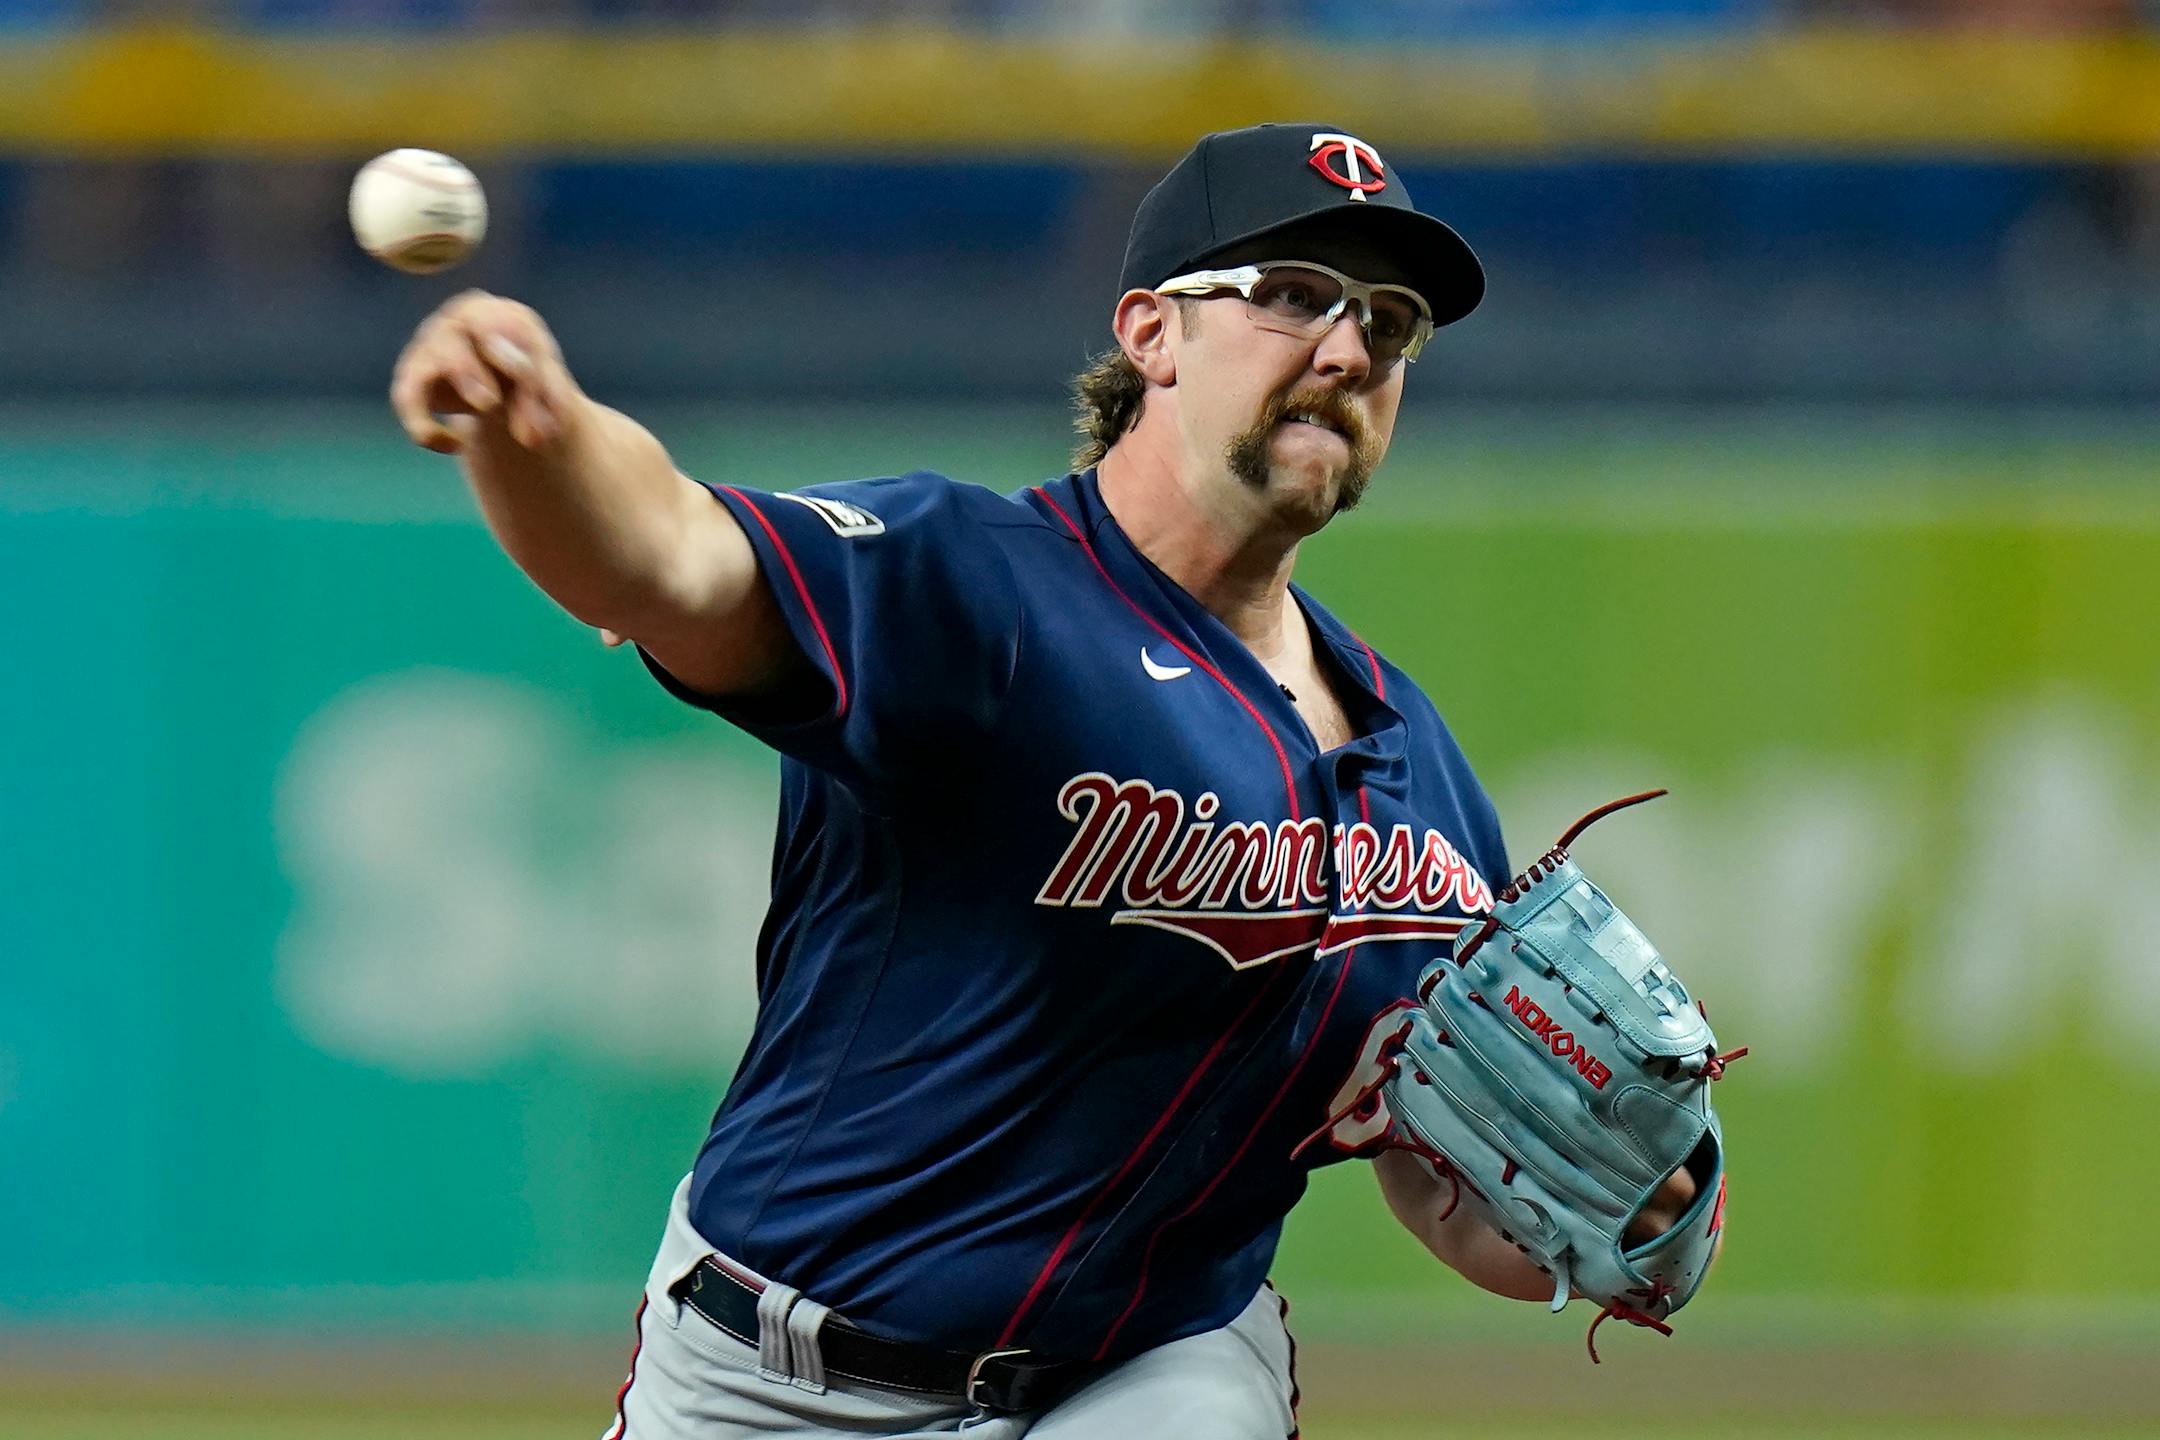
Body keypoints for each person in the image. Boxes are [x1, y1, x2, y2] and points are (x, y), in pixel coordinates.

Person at [390, 122, 1697, 1440]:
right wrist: (533, 435)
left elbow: (1449, 1183)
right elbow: (666, 555)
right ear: (1151, 333)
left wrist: (1627, 1203)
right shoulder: (971, 585)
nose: (1349, 350)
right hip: (775, 1384)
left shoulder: (1416, 772)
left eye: (1392, 322)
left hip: (1155, 1372)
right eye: (1293, 297)